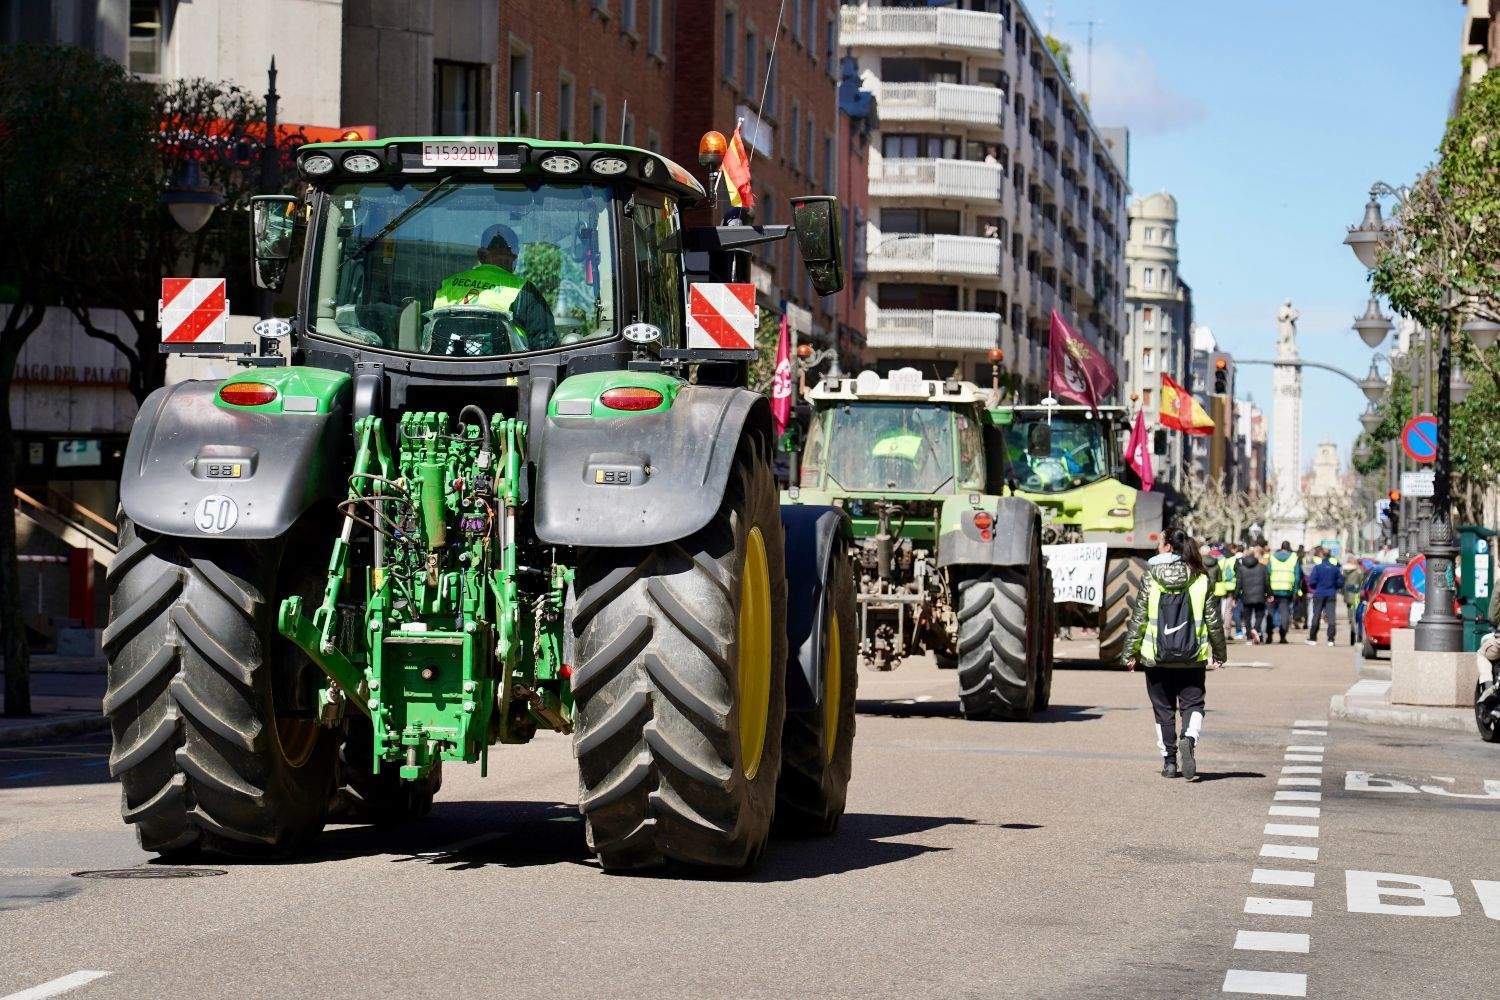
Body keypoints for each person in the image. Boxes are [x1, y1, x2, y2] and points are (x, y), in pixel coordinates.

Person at [1124, 529, 1228, 781]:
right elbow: (1213, 621)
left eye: (1159, 543)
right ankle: (1189, 739)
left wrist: (1130, 652)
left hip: (1156, 656)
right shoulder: (1201, 577)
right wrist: (1219, 654)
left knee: (1163, 710)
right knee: (1193, 704)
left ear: (1168, 547)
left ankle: (1169, 762)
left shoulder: (1150, 577)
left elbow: (1138, 617)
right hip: (1192, 657)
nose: (1157, 547)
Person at [433, 224, 557, 352]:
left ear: (481, 255)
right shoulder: (523, 290)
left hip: (444, 367)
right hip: (505, 369)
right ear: (516, 254)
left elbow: (427, 334)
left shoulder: (448, 284)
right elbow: (545, 346)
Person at [1306, 548, 1344, 647]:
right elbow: (1340, 582)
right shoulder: (1335, 568)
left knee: (1316, 615)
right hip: (1331, 594)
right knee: (1331, 616)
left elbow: (1312, 582)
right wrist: (1334, 586)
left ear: (1322, 555)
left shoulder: (1317, 568)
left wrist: (1317, 587)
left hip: (1319, 593)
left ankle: (1313, 638)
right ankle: (1330, 639)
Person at [1266, 541, 1301, 644]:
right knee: (1285, 613)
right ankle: (1282, 636)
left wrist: (1267, 590)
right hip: (1287, 590)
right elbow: (1297, 576)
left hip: (1273, 589)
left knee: (1270, 613)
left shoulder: (1272, 557)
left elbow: (1268, 573)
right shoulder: (1294, 558)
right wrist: (1295, 590)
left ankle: (1269, 636)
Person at [1236, 547, 1271, 644]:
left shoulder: (1241, 568)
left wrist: (1236, 596)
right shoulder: (1262, 567)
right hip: (1260, 595)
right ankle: (1256, 628)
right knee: (1260, 614)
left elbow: (1238, 584)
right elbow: (1267, 582)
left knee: (1247, 617)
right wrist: (1269, 594)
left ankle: (1248, 638)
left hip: (1246, 596)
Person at [1215, 544, 1240, 641]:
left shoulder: (1220, 560)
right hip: (1231, 588)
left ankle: (1218, 631)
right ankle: (1227, 632)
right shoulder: (1235, 560)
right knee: (1228, 611)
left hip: (1220, 588)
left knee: (1218, 610)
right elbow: (1238, 576)